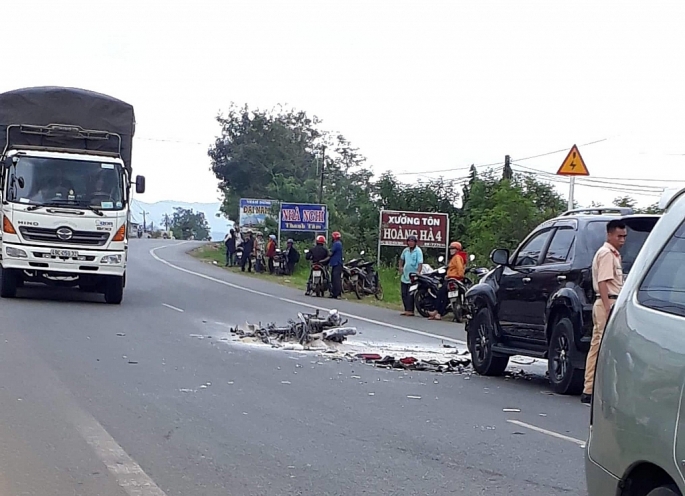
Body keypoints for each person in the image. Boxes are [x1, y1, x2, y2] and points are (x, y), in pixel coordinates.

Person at [581, 219, 627, 404]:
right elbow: (603, 282)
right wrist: (609, 309)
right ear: (609, 235)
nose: (622, 240)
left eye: (624, 237)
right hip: (607, 302)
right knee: (604, 347)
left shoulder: (612, 254)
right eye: (619, 236)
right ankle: (597, 390)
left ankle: (590, 388)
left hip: (607, 302)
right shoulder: (607, 253)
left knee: (597, 347)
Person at [429, 241, 465, 320]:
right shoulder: (457, 257)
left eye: (453, 248)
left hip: (453, 279)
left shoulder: (457, 257)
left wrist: (455, 276)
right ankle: (437, 312)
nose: (451, 250)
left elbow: (460, 269)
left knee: (440, 294)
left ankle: (437, 312)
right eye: (451, 248)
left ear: (457, 249)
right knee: (445, 295)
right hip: (453, 279)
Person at [399, 235, 423, 316]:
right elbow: (401, 259)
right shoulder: (405, 250)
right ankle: (406, 309)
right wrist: (400, 267)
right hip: (405, 275)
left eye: (412, 241)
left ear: (415, 242)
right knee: (403, 293)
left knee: (410, 294)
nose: (411, 243)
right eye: (409, 241)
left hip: (413, 276)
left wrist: (418, 272)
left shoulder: (418, 251)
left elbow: (420, 263)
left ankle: (410, 310)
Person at [328, 232, 343, 299]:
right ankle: (334, 293)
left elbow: (331, 253)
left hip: (336, 263)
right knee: (334, 278)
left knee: (336, 279)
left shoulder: (336, 244)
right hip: (336, 263)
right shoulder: (338, 243)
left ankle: (337, 293)